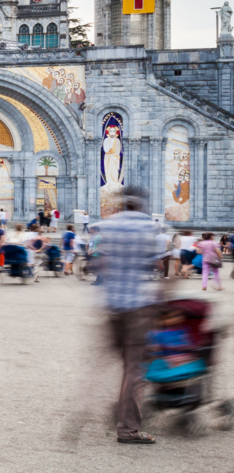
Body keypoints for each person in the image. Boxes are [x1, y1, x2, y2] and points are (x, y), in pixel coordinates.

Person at [93, 188, 161, 444]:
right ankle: (128, 429)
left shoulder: (107, 226)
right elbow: (157, 265)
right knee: (135, 370)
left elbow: (101, 263)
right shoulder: (148, 228)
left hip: (112, 305)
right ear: (140, 204)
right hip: (138, 308)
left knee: (117, 362)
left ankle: (119, 409)